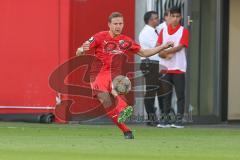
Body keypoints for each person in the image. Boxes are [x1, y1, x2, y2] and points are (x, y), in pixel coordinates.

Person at [76, 12, 173, 139]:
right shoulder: (100, 36)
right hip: (98, 74)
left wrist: (162, 47)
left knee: (112, 93)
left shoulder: (125, 41)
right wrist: (81, 50)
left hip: (115, 75)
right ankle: (124, 117)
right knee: (107, 102)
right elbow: (79, 51)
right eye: (115, 23)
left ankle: (125, 123)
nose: (118, 26)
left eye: (120, 23)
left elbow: (143, 53)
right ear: (109, 25)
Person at [156, 7, 189, 128]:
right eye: (173, 16)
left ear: (181, 17)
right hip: (165, 68)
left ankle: (179, 120)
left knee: (180, 95)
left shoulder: (183, 31)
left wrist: (167, 51)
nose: (175, 19)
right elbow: (158, 48)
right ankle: (165, 120)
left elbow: (180, 46)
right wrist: (163, 53)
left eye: (178, 16)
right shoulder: (163, 31)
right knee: (166, 95)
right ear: (168, 16)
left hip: (179, 68)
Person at [139, 10, 171, 126]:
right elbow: (157, 47)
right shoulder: (146, 32)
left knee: (161, 90)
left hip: (156, 63)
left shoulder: (156, 29)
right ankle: (151, 118)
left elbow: (165, 24)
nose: (159, 20)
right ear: (150, 20)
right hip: (149, 63)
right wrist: (168, 51)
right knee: (151, 91)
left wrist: (169, 16)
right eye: (156, 18)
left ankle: (162, 116)